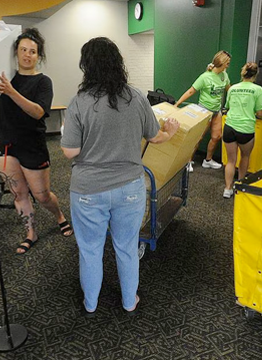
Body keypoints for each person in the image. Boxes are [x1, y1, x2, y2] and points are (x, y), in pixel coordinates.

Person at [61, 37, 179, 317]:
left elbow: (69, 151)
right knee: (126, 247)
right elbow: (155, 136)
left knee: (90, 249)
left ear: (86, 67)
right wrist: (171, 131)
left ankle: (90, 303)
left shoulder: (78, 102)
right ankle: (129, 302)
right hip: (130, 187)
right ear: (118, 63)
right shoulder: (136, 97)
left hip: (88, 190)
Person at [0, 28, 73, 254]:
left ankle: (59, 215)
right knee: (19, 194)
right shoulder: (5, 79)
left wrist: (11, 92)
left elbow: (38, 112)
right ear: (16, 53)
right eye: (23, 50)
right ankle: (31, 232)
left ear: (39, 56)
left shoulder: (42, 82)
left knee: (42, 195)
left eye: (33, 51)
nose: (27, 55)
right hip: (7, 145)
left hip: (32, 146)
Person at [175, 50, 231, 170]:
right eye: (227, 63)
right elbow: (191, 90)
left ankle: (208, 160)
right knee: (198, 137)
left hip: (217, 111)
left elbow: (228, 89)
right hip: (204, 111)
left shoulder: (224, 76)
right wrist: (177, 104)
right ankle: (188, 161)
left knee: (216, 136)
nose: (228, 66)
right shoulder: (205, 77)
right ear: (222, 63)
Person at [222, 62, 262, 199]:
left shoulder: (233, 88)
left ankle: (227, 189)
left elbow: (228, 107)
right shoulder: (257, 90)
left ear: (243, 73)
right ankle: (239, 186)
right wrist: (261, 116)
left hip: (229, 127)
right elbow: (260, 113)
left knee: (231, 160)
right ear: (255, 74)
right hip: (246, 130)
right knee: (245, 157)